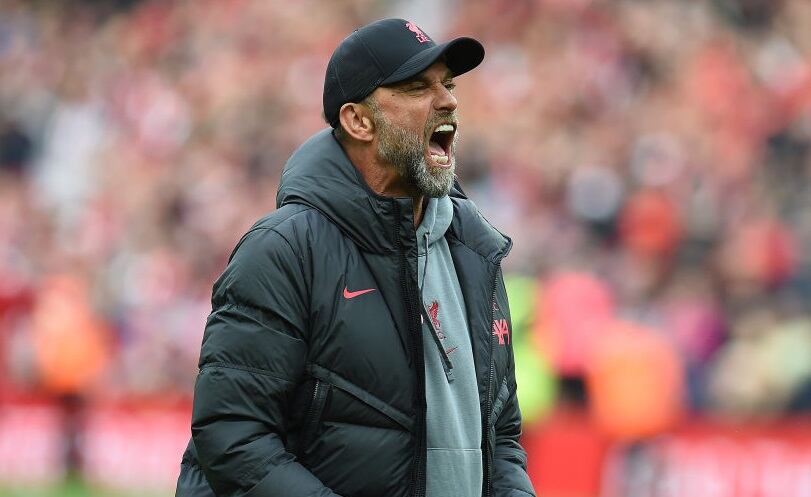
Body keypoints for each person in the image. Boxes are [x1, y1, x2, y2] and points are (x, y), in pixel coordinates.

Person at [175, 18, 535, 497]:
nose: (448, 100)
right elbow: (234, 436)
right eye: (416, 87)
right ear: (358, 121)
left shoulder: (475, 253)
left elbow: (502, 433)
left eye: (447, 84)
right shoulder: (284, 251)